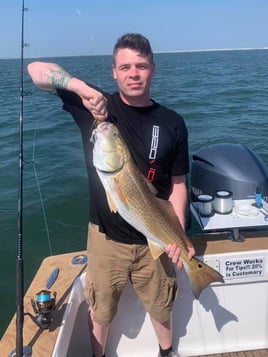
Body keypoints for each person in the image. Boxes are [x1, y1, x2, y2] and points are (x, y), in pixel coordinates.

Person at [27, 33, 195, 357]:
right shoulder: (95, 106)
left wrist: (179, 234)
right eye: (125, 66)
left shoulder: (172, 123)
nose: (134, 73)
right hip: (106, 241)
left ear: (153, 69)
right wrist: (82, 89)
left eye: (141, 66)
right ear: (113, 71)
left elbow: (177, 184)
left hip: (156, 238)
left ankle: (167, 352)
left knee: (162, 308)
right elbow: (35, 70)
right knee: (100, 311)